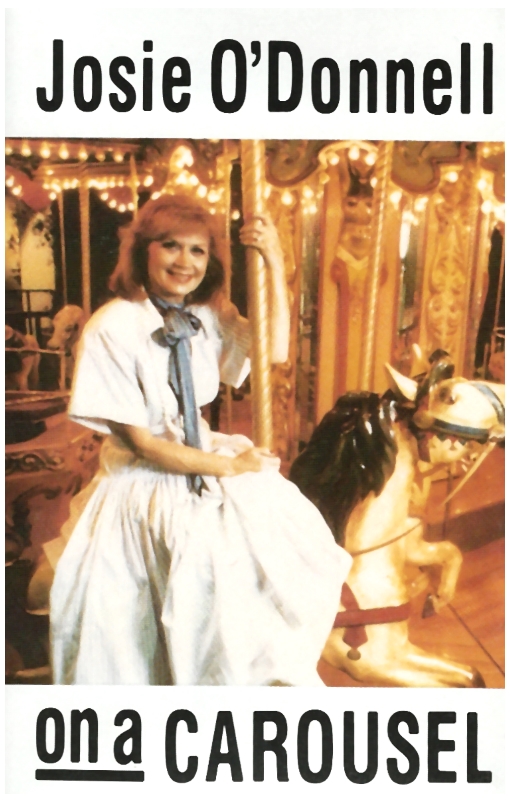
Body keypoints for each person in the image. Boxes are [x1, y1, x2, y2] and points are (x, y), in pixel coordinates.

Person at [49, 194, 352, 685]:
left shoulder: (207, 317)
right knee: (202, 563)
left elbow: (274, 349)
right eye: (170, 246)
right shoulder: (113, 326)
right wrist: (227, 467)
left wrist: (275, 262)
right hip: (142, 480)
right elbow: (142, 444)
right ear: (143, 251)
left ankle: (255, 669)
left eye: (198, 250)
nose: (184, 262)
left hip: (201, 455)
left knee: (285, 529)